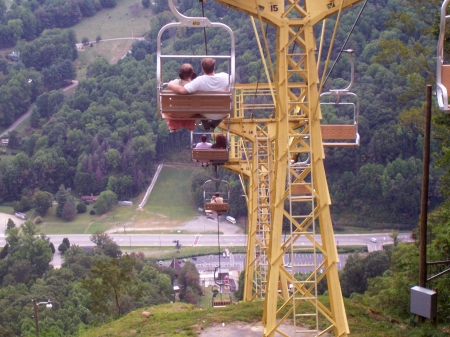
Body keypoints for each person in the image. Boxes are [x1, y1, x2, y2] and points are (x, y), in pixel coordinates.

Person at [168, 58, 230, 130]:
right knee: (220, 110)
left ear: (202, 68)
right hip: (223, 111)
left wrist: (170, 85)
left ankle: (206, 124)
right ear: (214, 67)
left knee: (199, 108)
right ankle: (213, 124)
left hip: (206, 113)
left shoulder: (199, 81)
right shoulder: (225, 76)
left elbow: (182, 91)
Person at [166, 64, 197, 132]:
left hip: (175, 113)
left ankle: (174, 126)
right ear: (191, 74)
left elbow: (169, 86)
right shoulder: (195, 84)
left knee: (174, 108)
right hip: (190, 114)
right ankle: (189, 125)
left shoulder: (174, 82)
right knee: (191, 108)